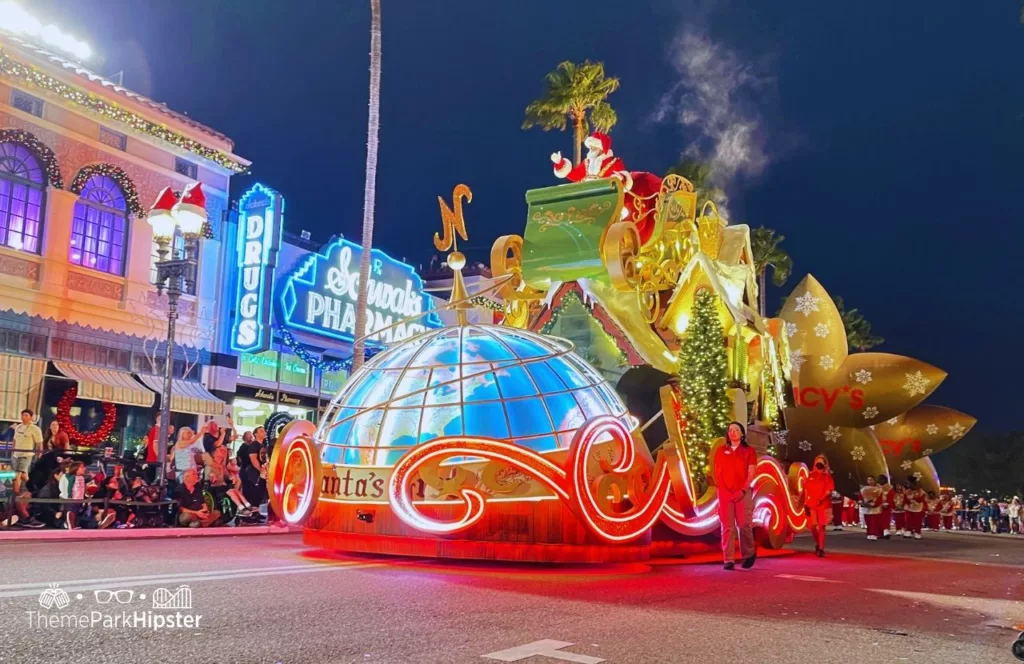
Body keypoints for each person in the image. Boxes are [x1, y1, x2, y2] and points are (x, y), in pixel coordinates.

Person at [712, 422, 757, 570]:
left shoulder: (749, 451)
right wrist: (725, 491)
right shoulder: (720, 451)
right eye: (730, 430)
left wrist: (743, 490)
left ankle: (749, 553)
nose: (733, 432)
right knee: (727, 526)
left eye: (736, 430)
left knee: (744, 524)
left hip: (742, 493)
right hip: (725, 493)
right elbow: (718, 473)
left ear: (742, 433)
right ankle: (728, 559)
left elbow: (751, 473)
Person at [803, 454, 835, 557]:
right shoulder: (810, 476)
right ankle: (818, 543)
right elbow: (805, 490)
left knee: (821, 527)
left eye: (821, 463)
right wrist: (804, 503)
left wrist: (820, 499)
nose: (819, 465)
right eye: (817, 463)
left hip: (823, 505)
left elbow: (829, 491)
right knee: (812, 527)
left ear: (825, 464)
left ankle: (821, 548)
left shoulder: (827, 477)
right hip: (811, 505)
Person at [238, 426, 268, 521]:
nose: (264, 432)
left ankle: (256, 513)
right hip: (252, 474)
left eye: (264, 431)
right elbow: (253, 458)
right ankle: (248, 515)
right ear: (256, 434)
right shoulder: (254, 445)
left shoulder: (262, 445)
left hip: (259, 473)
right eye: (261, 431)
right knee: (251, 494)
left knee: (258, 494)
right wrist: (260, 469)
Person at [12, 409, 42, 495]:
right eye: (22, 415)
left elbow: (39, 442)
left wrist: (39, 454)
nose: (23, 417)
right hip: (15, 454)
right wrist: (13, 451)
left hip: (26, 455)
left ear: (31, 417)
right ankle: (33, 487)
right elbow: (14, 440)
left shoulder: (35, 429)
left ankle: (16, 494)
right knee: (23, 475)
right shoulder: (18, 427)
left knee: (17, 474)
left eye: (26, 415)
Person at [860, 475, 884, 541]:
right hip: (866, 507)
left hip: (875, 508)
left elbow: (880, 499)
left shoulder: (879, 489)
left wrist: (875, 504)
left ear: (874, 481)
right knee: (868, 521)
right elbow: (860, 497)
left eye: (871, 480)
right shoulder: (863, 489)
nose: (870, 481)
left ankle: (874, 534)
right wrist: (862, 502)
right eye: (868, 480)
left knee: (874, 521)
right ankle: (869, 533)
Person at [877, 475, 893, 539]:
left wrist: (888, 503)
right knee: (878, 519)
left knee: (885, 519)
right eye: (878, 479)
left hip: (886, 506)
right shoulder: (876, 487)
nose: (879, 480)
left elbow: (891, 497)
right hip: (877, 506)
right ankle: (880, 533)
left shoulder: (889, 488)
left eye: (881, 479)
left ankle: (886, 531)